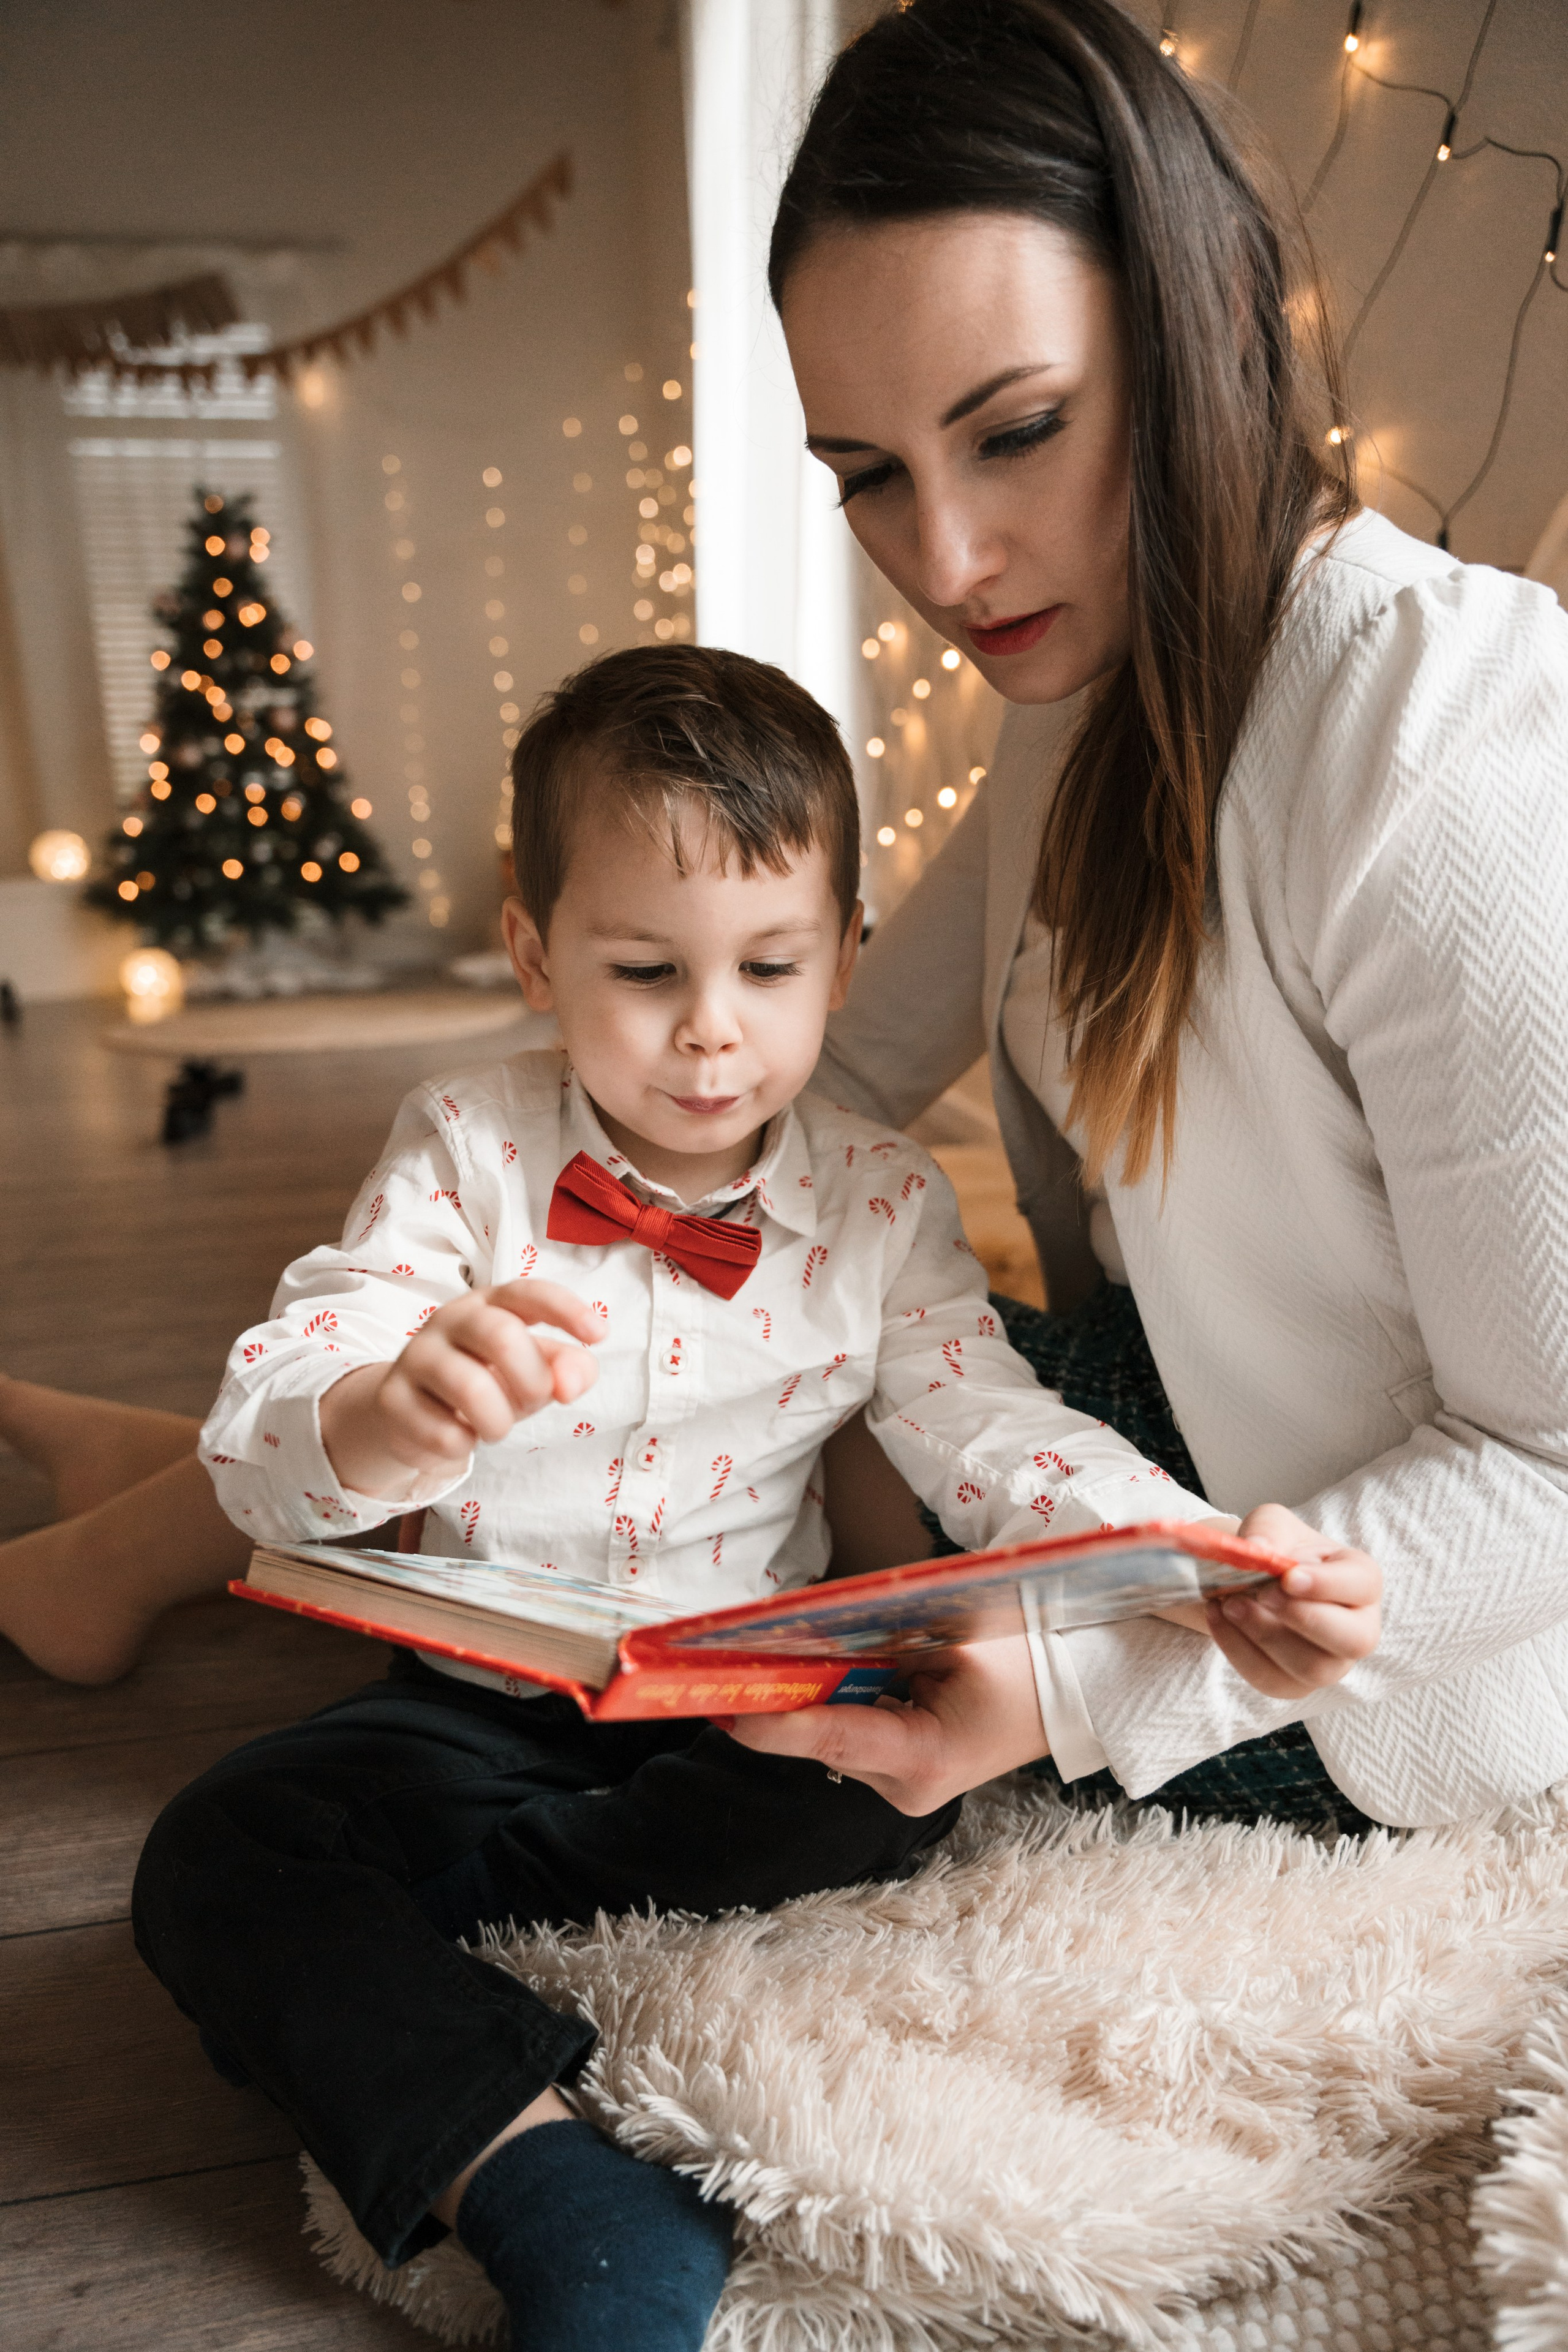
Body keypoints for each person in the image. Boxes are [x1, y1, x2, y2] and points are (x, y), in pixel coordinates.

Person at [127, 644, 1378, 2352]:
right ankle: (550, 2182)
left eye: (770, 966)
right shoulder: (463, 1147)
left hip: (747, 1729)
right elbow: (266, 1415)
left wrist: (1181, 1550)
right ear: (532, 947)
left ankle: (400, 1971)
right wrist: (385, 1411)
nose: (712, 1028)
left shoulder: (876, 1193)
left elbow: (985, 1426)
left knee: (891, 1794)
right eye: (645, 969)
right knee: (214, 1856)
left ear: (845, 958)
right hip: (478, 1703)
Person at [718, 0, 1568, 1838]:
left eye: (1014, 431)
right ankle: (209, 1501)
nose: (943, 563)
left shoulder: (1451, 740)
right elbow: (822, 1062)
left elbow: (1557, 1466)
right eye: (867, 472)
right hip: (1150, 1428)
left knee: (697, 1541)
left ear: (1201, 329)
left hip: (1383, 1634)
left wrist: (1081, 1674)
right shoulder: (1085, 689)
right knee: (666, 1385)